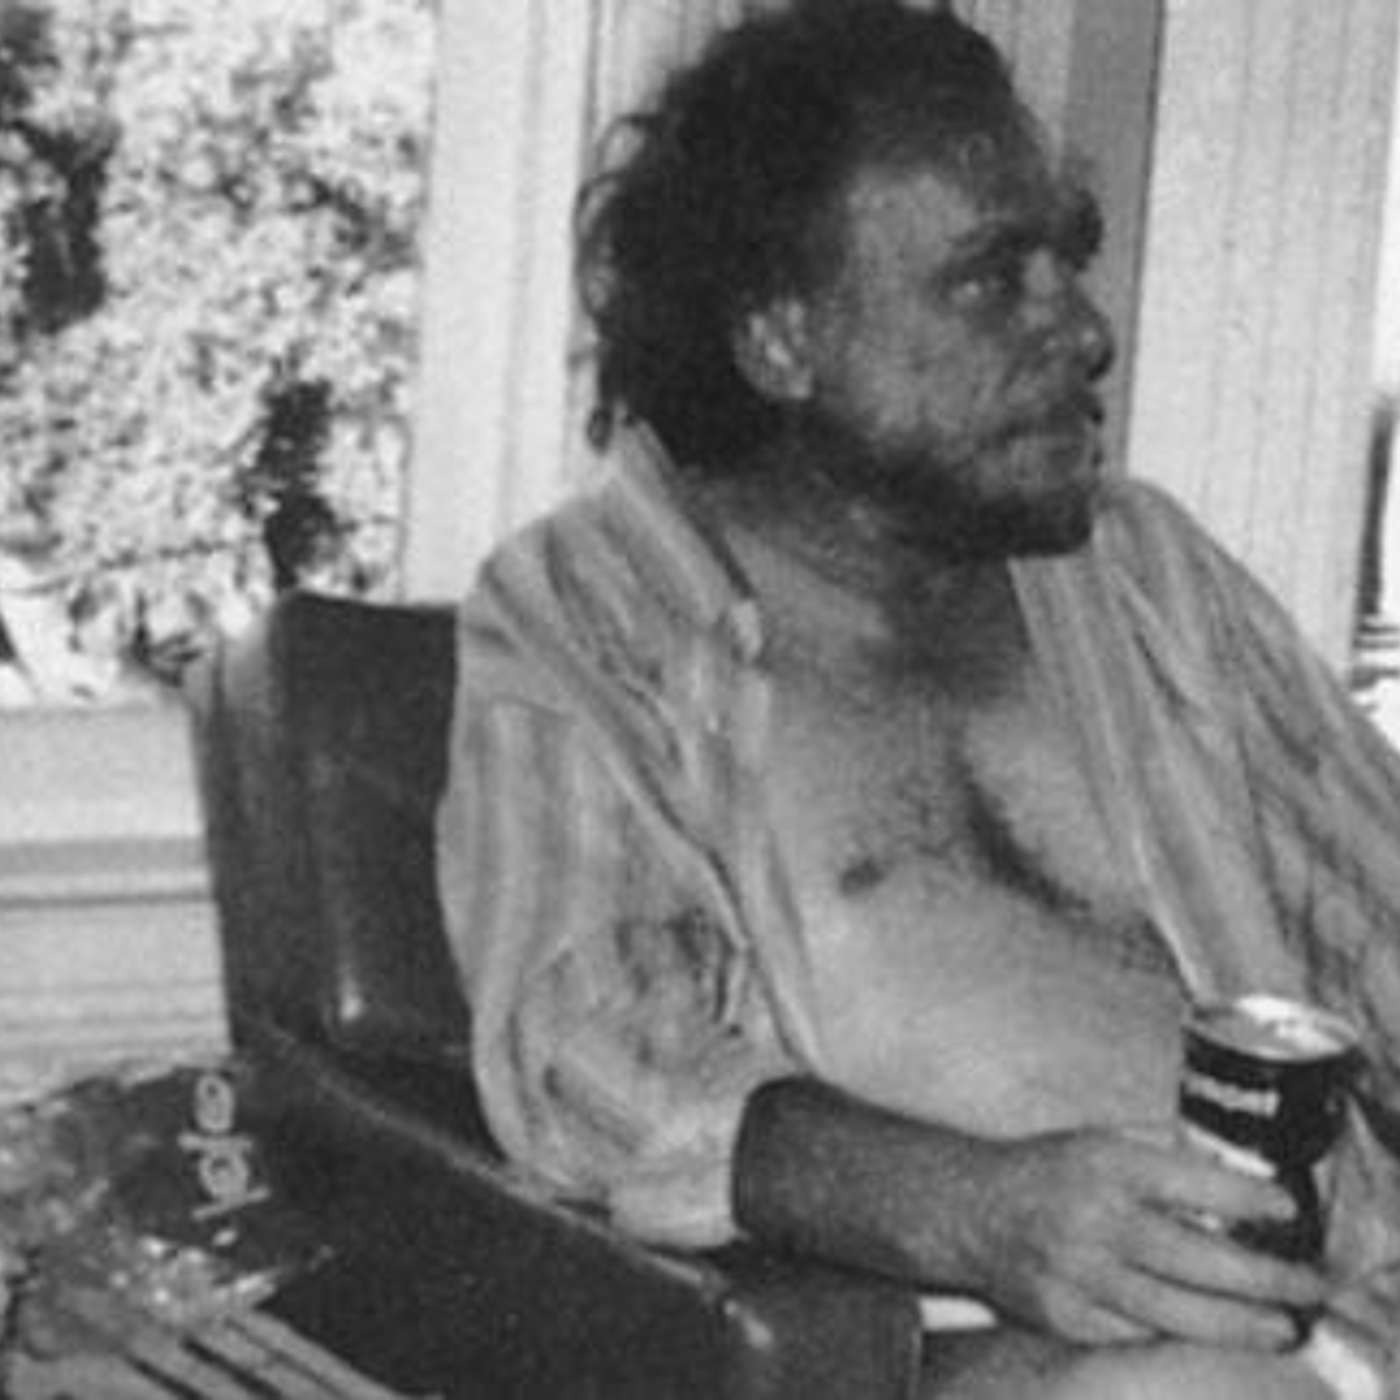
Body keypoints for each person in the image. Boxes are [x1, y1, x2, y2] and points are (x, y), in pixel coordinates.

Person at [434, 2, 1400, 1394]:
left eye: (1069, 260)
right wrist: (977, 1213)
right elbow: (587, 1061)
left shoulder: (1146, 578)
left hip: (1344, 1315)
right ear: (783, 337)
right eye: (990, 279)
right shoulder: (597, 608)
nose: (1084, 330)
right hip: (983, 1360)